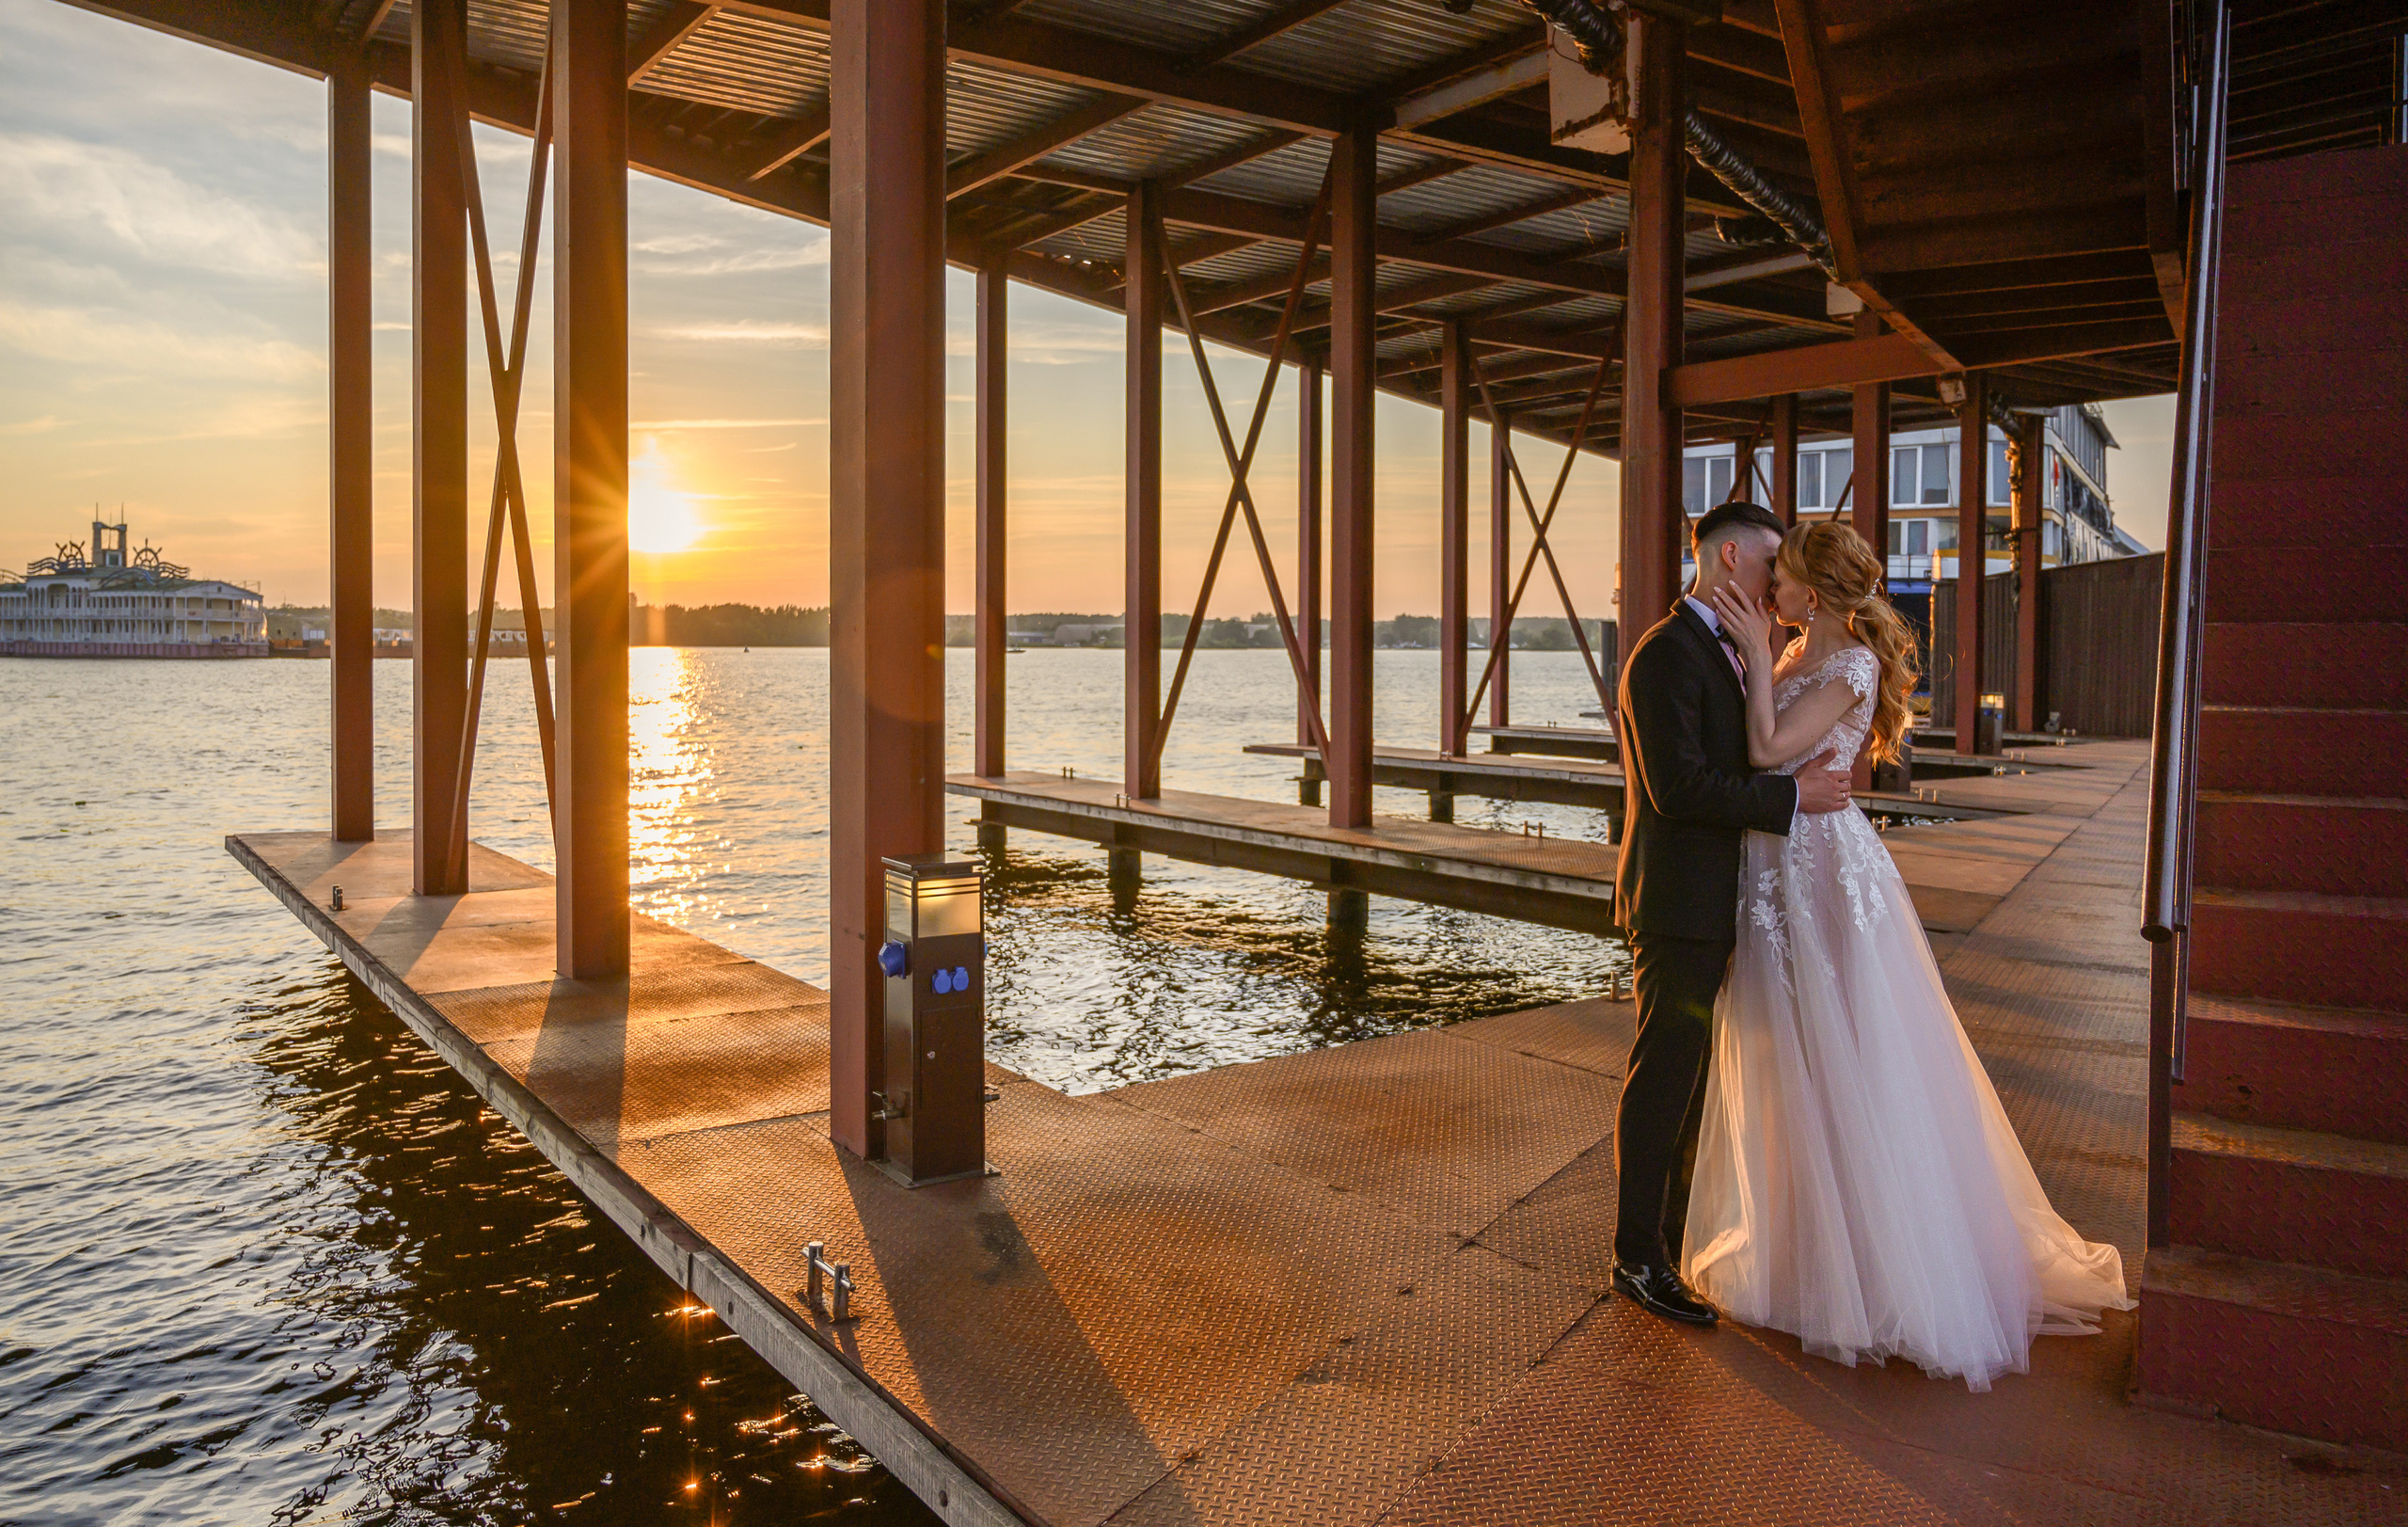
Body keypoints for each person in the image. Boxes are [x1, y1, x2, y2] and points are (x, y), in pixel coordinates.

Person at [1688, 520, 2131, 1390]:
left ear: (1809, 595)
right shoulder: (1796, 654)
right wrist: (1758, 655)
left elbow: (1771, 750)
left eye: (1780, 577)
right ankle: (1800, 1244)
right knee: (1794, 1057)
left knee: (1849, 1049)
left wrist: (1748, 644)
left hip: (1821, 868)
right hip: (1782, 858)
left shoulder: (1846, 663)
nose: (1768, 586)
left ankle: (1880, 1269)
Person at [1609, 501, 1855, 1326]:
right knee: (1666, 1080)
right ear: (1729, 562)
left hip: (1733, 904)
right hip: (1679, 905)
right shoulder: (1663, 655)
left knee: (1704, 1086)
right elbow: (1676, 789)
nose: (1778, 580)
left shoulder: (1742, 650)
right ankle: (1638, 1258)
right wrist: (1790, 797)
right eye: (1769, 564)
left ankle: (1673, 1246)